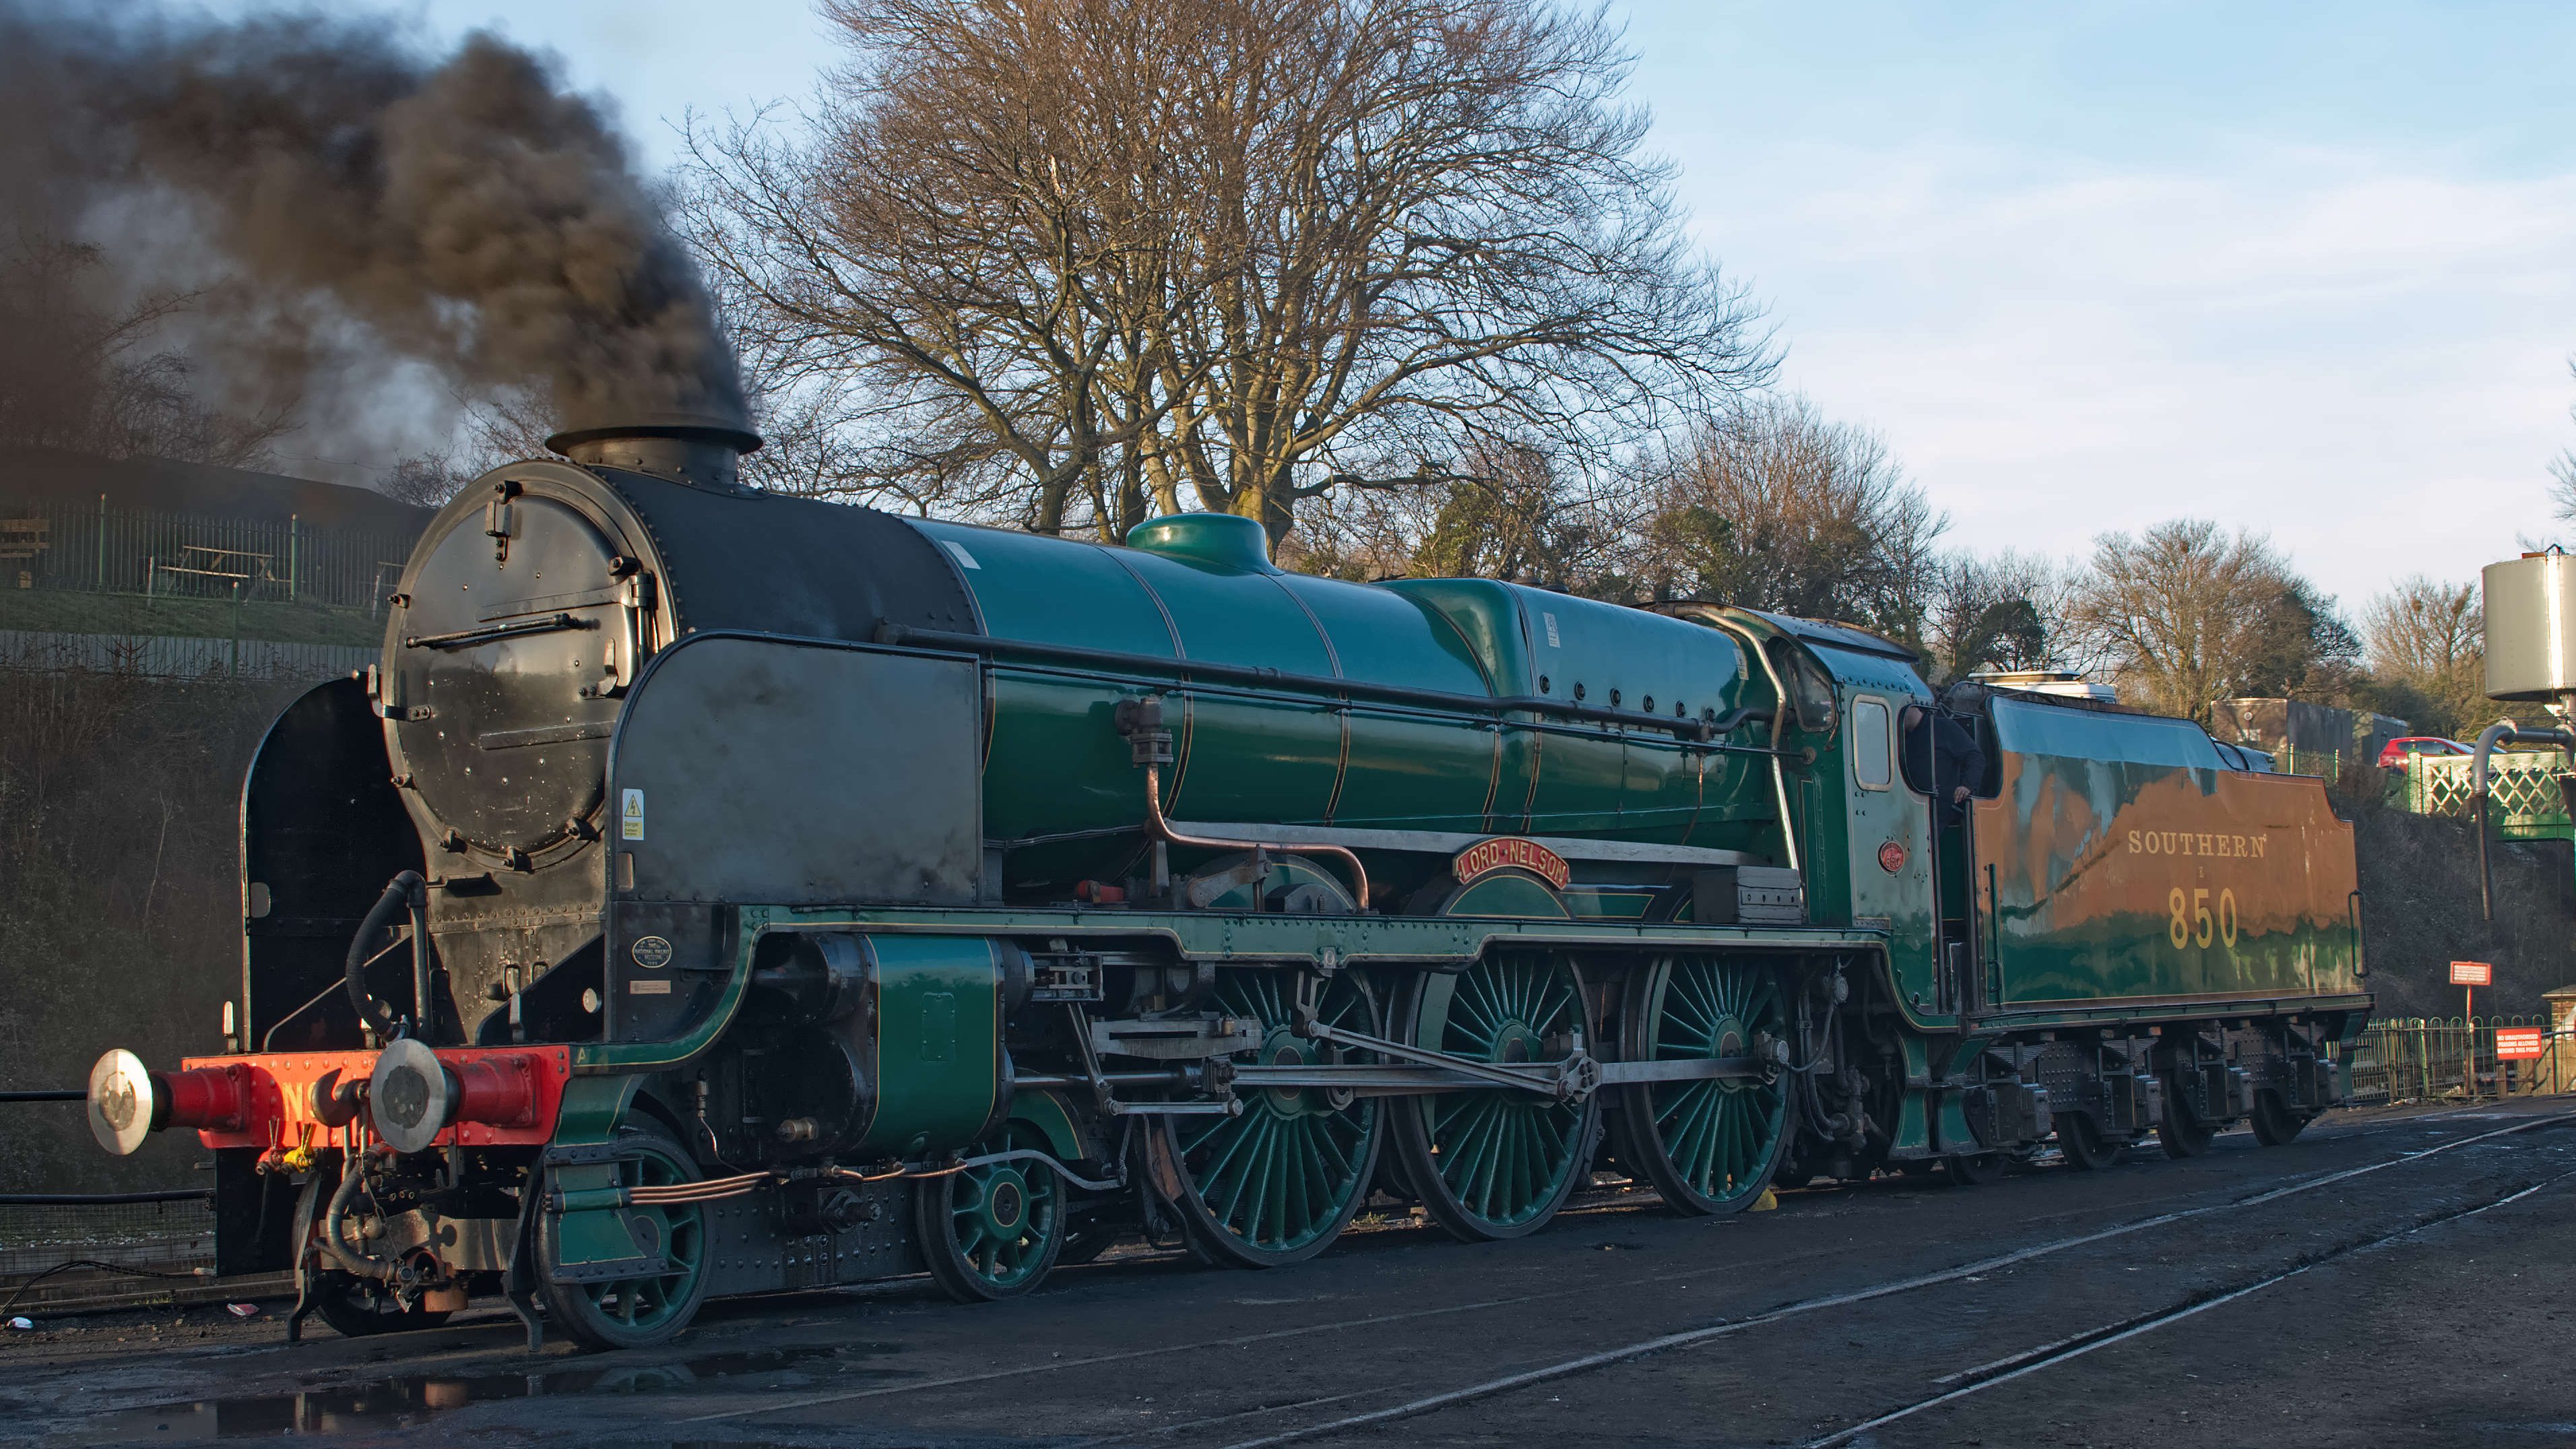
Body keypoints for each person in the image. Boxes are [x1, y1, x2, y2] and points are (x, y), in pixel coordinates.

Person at [1902, 702, 1984, 825]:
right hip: (1909, 804)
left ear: (1911, 707)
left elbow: (1975, 756)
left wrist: (1967, 786)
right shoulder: (1901, 735)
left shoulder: (1944, 727)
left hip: (1938, 806)